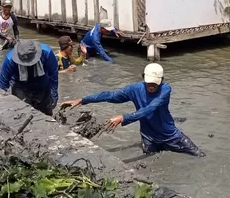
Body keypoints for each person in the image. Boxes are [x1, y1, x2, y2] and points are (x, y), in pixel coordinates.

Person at [61, 63, 203, 156]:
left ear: (161, 80)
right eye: (149, 82)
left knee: (199, 155)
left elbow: (150, 109)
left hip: (170, 135)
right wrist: (83, 100)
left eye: (155, 83)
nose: (151, 85)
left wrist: (124, 118)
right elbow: (110, 95)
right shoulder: (135, 89)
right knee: (150, 164)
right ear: (143, 78)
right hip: (149, 137)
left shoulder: (165, 89)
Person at [0, 39, 59, 116]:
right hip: (20, 86)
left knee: (46, 114)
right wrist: (4, 105)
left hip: (42, 85)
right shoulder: (10, 59)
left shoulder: (47, 53)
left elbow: (53, 76)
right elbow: (3, 83)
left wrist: (54, 96)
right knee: (22, 114)